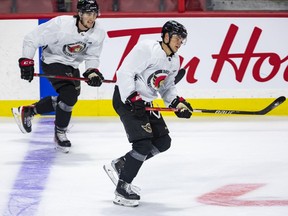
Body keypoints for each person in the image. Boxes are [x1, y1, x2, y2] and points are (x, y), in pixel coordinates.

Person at [103, 20, 193, 207]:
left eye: (182, 39)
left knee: (163, 142)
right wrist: (132, 97)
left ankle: (123, 164)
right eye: (177, 38)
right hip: (126, 99)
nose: (179, 42)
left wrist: (176, 102)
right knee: (142, 144)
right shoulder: (147, 49)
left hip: (146, 102)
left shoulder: (174, 60)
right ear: (166, 36)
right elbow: (124, 72)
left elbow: (167, 86)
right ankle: (122, 189)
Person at [11, 0, 105, 153]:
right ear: (80, 13)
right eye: (88, 13)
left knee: (69, 98)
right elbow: (31, 38)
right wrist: (27, 61)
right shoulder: (61, 25)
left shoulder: (99, 32)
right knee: (69, 95)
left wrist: (92, 71)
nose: (92, 18)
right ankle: (60, 133)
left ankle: (30, 110)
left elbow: (92, 56)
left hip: (72, 66)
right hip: (52, 61)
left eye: (95, 14)